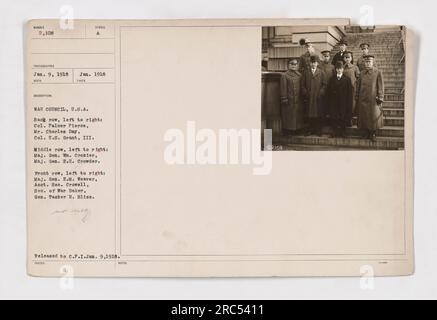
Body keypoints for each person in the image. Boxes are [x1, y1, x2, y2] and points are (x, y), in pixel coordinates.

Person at [356, 55, 385, 141]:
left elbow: (381, 86)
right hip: (363, 98)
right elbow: (358, 85)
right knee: (364, 115)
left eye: (369, 62)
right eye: (366, 62)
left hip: (373, 98)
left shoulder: (378, 72)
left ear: (372, 62)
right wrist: (357, 95)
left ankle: (373, 133)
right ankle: (365, 132)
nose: (368, 63)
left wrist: (380, 97)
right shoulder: (361, 73)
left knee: (373, 116)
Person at [301, 55, 327, 136]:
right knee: (309, 114)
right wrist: (305, 92)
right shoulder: (306, 72)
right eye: (312, 63)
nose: (313, 64)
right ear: (309, 63)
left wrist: (321, 92)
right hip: (309, 97)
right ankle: (310, 129)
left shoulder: (321, 72)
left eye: (314, 63)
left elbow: (324, 84)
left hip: (318, 97)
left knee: (318, 114)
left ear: (317, 63)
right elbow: (302, 84)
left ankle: (318, 130)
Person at [326, 61, 353, 137]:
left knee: (343, 117)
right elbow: (328, 92)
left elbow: (349, 93)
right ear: (335, 69)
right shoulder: (331, 79)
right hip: (334, 102)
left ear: (343, 69)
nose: (339, 70)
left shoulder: (347, 79)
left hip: (343, 102)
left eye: (340, 68)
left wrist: (349, 103)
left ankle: (343, 132)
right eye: (337, 68)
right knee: (334, 117)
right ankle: (334, 132)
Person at [280, 58, 304, 135]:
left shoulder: (299, 75)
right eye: (292, 64)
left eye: (295, 64)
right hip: (289, 99)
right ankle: (288, 130)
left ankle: (297, 129)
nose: (294, 65)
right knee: (289, 115)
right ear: (288, 65)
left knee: (297, 115)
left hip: (298, 99)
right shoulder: (285, 75)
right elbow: (283, 88)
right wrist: (284, 98)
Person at [343, 51, 360, 121]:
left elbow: (358, 78)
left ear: (351, 58)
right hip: (343, 89)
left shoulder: (355, 67)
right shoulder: (342, 67)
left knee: (352, 103)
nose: (347, 59)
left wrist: (356, 87)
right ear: (344, 58)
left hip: (352, 88)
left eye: (348, 57)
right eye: (346, 57)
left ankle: (351, 117)